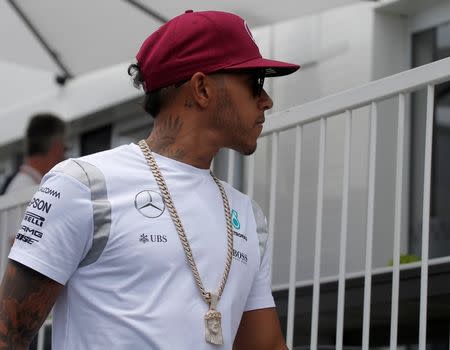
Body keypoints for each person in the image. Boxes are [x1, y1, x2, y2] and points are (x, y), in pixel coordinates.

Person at [0, 10, 299, 350]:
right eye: (255, 82)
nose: (267, 100)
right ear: (201, 88)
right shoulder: (83, 184)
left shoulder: (248, 215)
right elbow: (7, 334)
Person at [1, 113, 66, 194]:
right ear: (57, 147)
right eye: (65, 148)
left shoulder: (21, 184)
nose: (65, 156)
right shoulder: (29, 189)